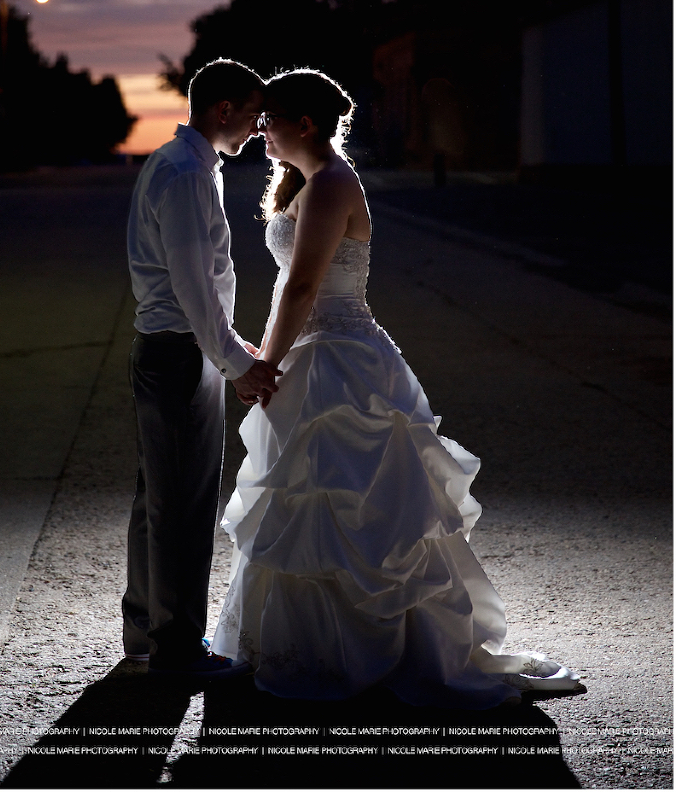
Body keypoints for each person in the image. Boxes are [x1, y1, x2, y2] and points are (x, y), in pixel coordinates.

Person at [212, 68, 582, 705]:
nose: (261, 128)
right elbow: (289, 288)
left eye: (271, 116)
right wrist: (270, 354)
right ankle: (309, 642)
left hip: (341, 357)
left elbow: (302, 287)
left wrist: (265, 365)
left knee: (358, 505)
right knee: (308, 505)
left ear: (305, 123)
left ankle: (368, 650)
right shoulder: (308, 183)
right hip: (316, 349)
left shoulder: (331, 183)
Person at [124, 58, 281, 678]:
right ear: (222, 110)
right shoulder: (188, 173)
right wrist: (238, 363)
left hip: (169, 349)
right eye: (251, 114)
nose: (254, 127)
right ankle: (177, 649)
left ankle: (147, 632)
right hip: (180, 351)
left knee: (159, 499)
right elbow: (195, 290)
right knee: (182, 505)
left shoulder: (182, 164)